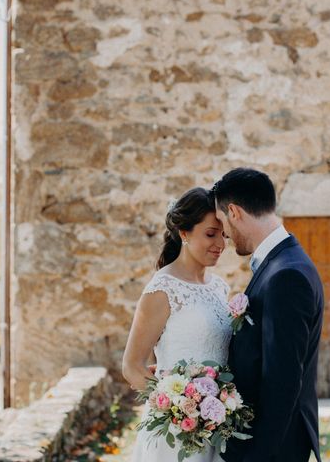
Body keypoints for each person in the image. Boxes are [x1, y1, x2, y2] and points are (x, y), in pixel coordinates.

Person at [211, 167, 324, 462]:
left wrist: (256, 456)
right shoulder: (282, 262)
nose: (224, 234)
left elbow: (283, 380)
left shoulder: (286, 274)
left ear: (234, 211)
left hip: (273, 447)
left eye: (222, 222)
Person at [122, 187, 229, 462]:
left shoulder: (220, 288)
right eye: (210, 233)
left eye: (223, 234)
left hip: (218, 427)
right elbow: (132, 366)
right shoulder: (162, 289)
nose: (220, 243)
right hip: (176, 434)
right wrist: (181, 410)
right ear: (184, 233)